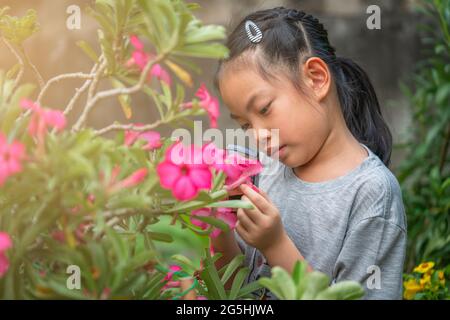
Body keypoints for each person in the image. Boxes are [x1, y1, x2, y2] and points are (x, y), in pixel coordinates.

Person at [211, 7, 407, 299]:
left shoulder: (371, 193)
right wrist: (216, 226)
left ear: (315, 78)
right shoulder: (263, 170)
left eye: (264, 109)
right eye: (245, 124)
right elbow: (232, 294)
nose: (258, 135)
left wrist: (276, 246)